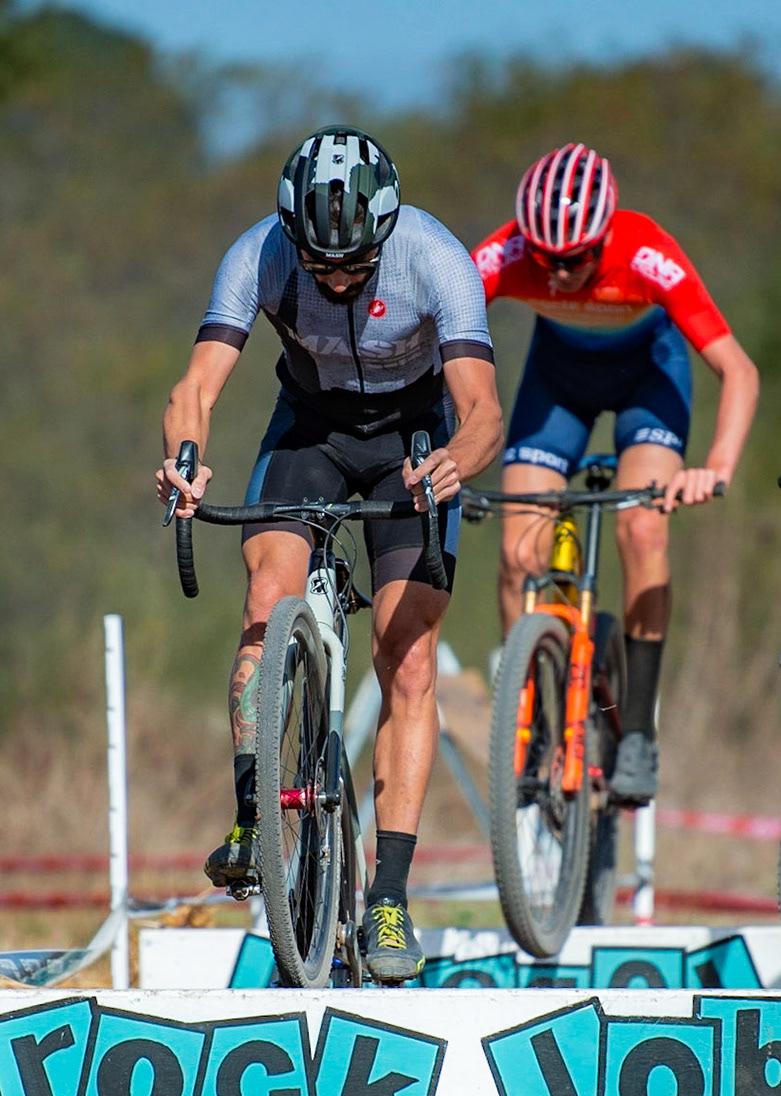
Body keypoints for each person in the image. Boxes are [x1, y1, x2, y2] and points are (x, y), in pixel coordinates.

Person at [156, 127, 504, 982]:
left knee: (408, 658)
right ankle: (253, 814)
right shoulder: (257, 255)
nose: (339, 280)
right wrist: (186, 461)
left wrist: (452, 464)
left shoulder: (436, 258)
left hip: (413, 439)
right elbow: (195, 386)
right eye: (321, 267)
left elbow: (483, 412)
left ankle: (388, 894)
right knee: (265, 596)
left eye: (356, 265)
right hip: (309, 431)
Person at [471, 143, 759, 804]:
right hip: (557, 383)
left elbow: (739, 371)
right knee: (518, 556)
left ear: (603, 238)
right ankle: (529, 719)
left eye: (573, 258)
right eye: (544, 258)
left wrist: (715, 467)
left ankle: (637, 733)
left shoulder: (647, 253)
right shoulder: (511, 252)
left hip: (647, 382)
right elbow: (433, 321)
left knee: (642, 530)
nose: (557, 272)